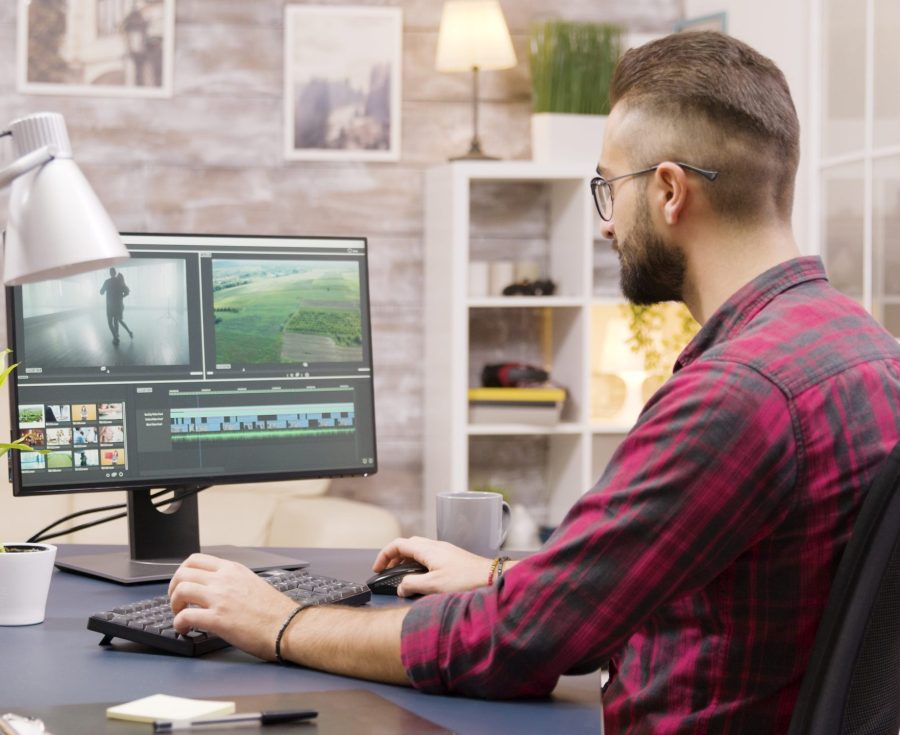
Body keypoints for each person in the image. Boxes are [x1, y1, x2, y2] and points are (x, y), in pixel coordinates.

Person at [167, 32, 900, 733]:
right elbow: (607, 597)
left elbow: (523, 643)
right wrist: (498, 575)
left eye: (609, 188)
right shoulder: (867, 348)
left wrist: (280, 622)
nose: (607, 226)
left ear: (670, 191)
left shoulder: (737, 395)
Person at [99, 268, 133, 344]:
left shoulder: (107, 282)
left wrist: (104, 291)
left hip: (110, 306)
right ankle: (116, 336)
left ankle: (115, 337)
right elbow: (127, 292)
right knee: (116, 321)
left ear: (110, 273)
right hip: (118, 305)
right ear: (115, 273)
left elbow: (101, 292)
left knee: (110, 323)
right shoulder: (119, 282)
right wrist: (121, 296)